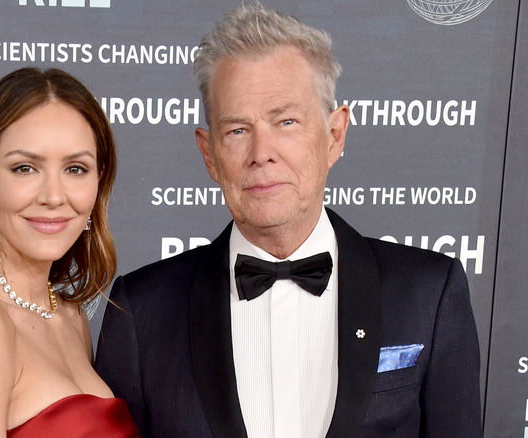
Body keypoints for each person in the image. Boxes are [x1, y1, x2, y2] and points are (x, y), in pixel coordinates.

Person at [95, 4, 482, 438]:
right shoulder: (141, 310)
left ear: (334, 136)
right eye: (237, 130)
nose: (263, 152)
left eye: (287, 121)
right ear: (209, 155)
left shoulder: (429, 292)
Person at [0, 67, 138, 438]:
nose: (53, 196)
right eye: (25, 168)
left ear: (99, 180)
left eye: (75, 168)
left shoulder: (69, 315)